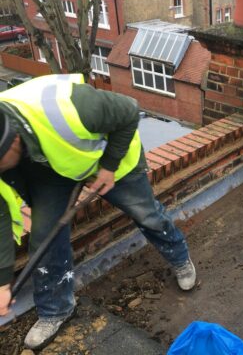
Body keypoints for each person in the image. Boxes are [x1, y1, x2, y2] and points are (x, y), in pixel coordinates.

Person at [0, 74, 196, 349]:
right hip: (49, 170)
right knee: (45, 239)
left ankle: (180, 258)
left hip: (106, 157)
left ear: (12, 142)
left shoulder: (70, 106)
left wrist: (109, 166)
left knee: (146, 214)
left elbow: (129, 109)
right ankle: (56, 310)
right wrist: (2, 282)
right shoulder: (7, 147)